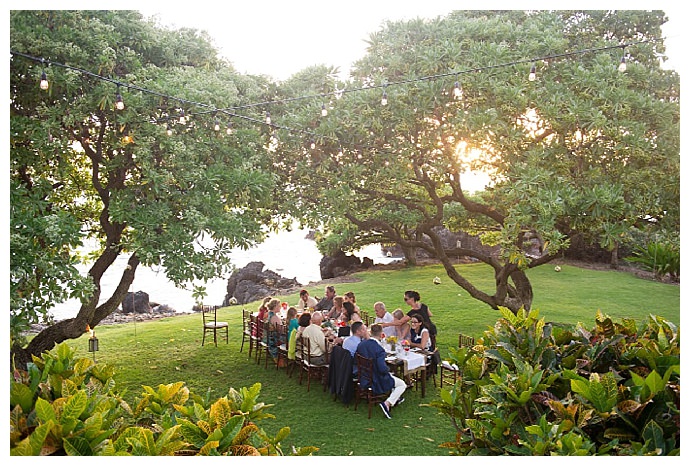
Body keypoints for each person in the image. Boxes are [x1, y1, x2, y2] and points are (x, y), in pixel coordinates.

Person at [356, 326, 407, 419]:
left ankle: (397, 398)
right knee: (402, 384)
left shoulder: (361, 344)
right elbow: (382, 369)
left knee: (392, 376)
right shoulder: (379, 349)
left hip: (364, 376)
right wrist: (388, 370)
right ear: (381, 334)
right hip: (376, 380)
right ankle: (387, 403)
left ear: (370, 332)